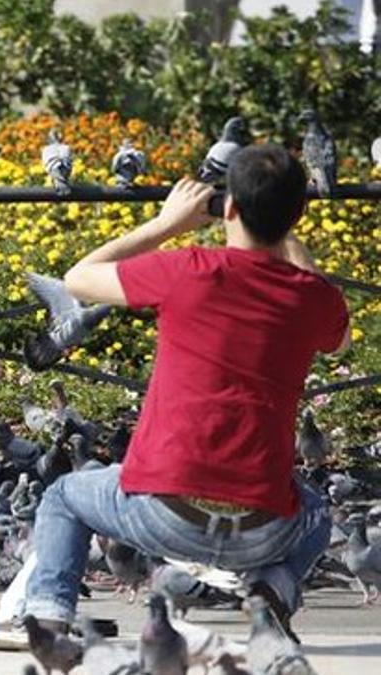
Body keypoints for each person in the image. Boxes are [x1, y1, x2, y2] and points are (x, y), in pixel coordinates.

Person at [24, 144, 350, 640]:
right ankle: (271, 594)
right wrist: (288, 241)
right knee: (318, 513)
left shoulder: (190, 270)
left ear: (230, 207)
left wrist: (167, 225)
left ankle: (49, 621)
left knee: (64, 496)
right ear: (297, 214)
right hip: (262, 528)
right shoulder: (313, 298)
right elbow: (339, 337)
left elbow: (76, 280)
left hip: (163, 514)